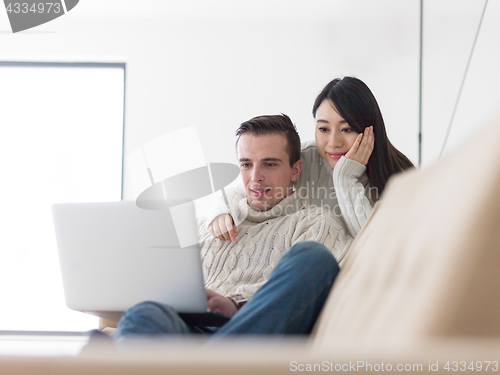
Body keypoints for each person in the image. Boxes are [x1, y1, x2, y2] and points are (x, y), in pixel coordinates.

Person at [114, 114, 351, 338]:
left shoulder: (314, 223)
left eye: (269, 164)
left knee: (314, 258)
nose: (255, 177)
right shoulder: (204, 225)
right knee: (142, 314)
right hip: (183, 333)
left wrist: (236, 302)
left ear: (295, 170)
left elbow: (312, 287)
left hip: (247, 329)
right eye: (247, 165)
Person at [207, 76, 414, 241]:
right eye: (323, 129)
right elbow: (245, 185)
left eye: (346, 129)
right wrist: (221, 211)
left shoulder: (399, 177)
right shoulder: (306, 157)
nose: (333, 142)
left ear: (370, 129)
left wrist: (345, 179)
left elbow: (374, 248)